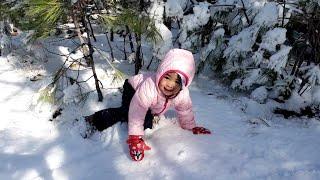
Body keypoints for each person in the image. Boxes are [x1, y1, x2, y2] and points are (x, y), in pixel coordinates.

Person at [84, 48, 211, 161]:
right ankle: (95, 120)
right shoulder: (150, 87)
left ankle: (151, 114)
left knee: (148, 120)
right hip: (133, 88)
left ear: (184, 84)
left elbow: (185, 110)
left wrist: (191, 127)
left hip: (148, 100)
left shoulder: (182, 95)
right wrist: (135, 138)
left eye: (177, 81)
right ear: (161, 74)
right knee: (129, 113)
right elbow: (137, 111)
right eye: (167, 77)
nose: (170, 84)